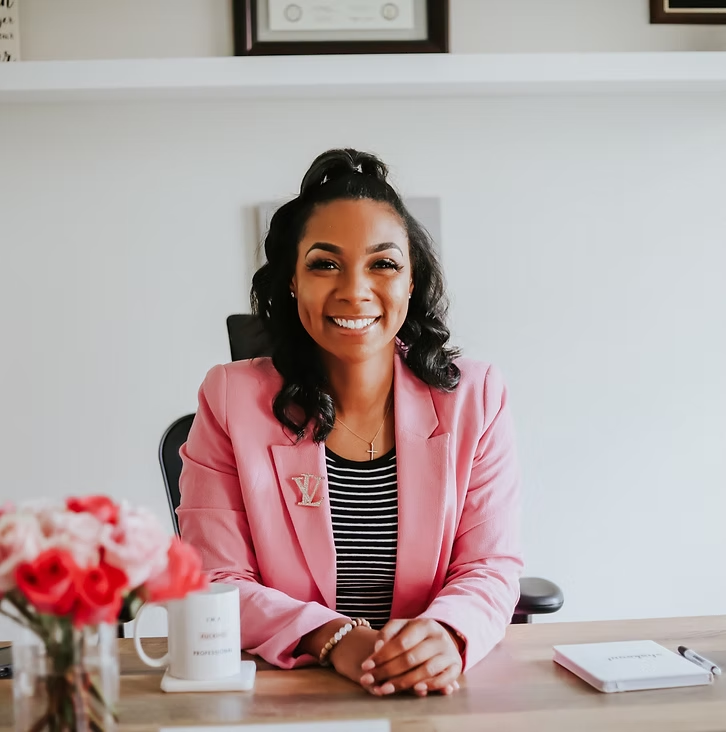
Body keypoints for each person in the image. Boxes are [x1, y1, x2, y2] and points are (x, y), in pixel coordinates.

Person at [177, 148, 523, 697]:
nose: (354, 290)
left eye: (383, 264)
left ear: (412, 281)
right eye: (325, 263)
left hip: (428, 694)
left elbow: (489, 566)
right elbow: (216, 580)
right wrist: (334, 638)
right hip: (286, 695)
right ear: (292, 280)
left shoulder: (474, 396)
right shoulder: (229, 399)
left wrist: (446, 634)